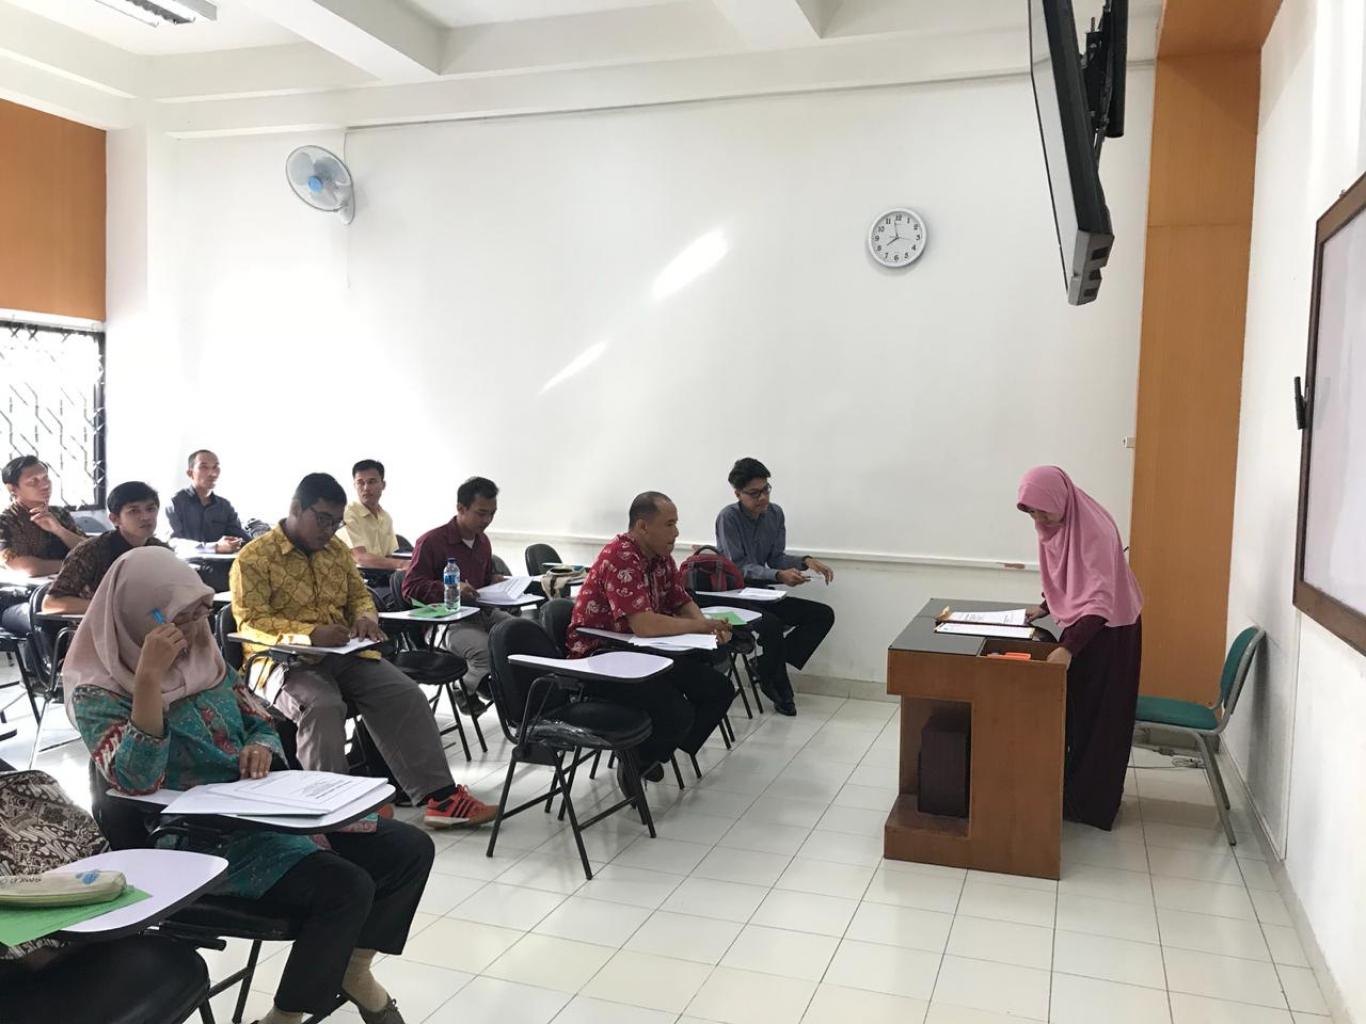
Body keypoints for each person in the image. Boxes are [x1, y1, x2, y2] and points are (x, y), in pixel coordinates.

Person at [68, 546, 434, 1024]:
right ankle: (285, 1017)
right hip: (193, 836)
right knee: (345, 888)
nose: (195, 628)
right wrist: (149, 681)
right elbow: (135, 778)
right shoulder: (97, 691)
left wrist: (259, 746)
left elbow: (259, 720)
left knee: (408, 849)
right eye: (182, 616)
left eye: (201, 612)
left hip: (261, 808)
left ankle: (353, 969)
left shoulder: (206, 658)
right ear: (140, 615)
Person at [231, 472, 494, 828]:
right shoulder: (254, 558)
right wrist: (310, 634)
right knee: (322, 706)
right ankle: (332, 812)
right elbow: (251, 622)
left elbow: (359, 596)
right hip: (279, 661)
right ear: (296, 508)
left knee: (405, 694)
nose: (329, 530)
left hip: (343, 654)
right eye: (323, 519)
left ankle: (442, 799)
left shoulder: (335, 552)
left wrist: (366, 618)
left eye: (336, 522)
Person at [568, 491, 735, 791]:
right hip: (602, 657)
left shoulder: (660, 557)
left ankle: (651, 753)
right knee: (676, 711)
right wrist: (700, 626)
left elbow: (680, 599)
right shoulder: (620, 556)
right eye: (669, 524)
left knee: (718, 690)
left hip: (641, 650)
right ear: (643, 527)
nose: (676, 532)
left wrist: (706, 629)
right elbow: (644, 625)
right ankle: (641, 757)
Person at [1017, 465, 1144, 831]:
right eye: (1031, 513)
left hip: (1110, 632)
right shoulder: (1058, 526)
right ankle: (1068, 795)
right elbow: (1072, 575)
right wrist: (1047, 605)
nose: (1038, 520)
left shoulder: (1095, 531)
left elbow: (1100, 599)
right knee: (1076, 717)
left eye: (1043, 511)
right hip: (1085, 627)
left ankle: (1093, 806)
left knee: (1100, 722)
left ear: (1061, 500)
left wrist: (1069, 649)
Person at [713, 457, 836, 716]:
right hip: (734, 595)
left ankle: (764, 665)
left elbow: (776, 557)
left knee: (822, 615)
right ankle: (778, 687)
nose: (762, 498)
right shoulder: (728, 518)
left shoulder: (775, 513)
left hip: (763, 593)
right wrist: (779, 575)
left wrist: (805, 561)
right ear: (738, 493)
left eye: (766, 490)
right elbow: (739, 566)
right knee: (771, 625)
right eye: (754, 493)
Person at [401, 476, 508, 715]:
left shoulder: (482, 542)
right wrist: (449, 588)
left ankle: (498, 691)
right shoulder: (431, 541)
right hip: (444, 622)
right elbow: (410, 588)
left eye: (492, 514)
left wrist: (494, 581)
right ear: (461, 508)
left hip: (479, 613)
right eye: (481, 513)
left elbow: (482, 582)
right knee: (484, 649)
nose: (487, 520)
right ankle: (464, 688)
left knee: (516, 633)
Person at [43, 481, 168, 616]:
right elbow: (51, 603)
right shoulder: (91, 551)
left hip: (148, 621)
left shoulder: (162, 551)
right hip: (99, 623)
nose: (146, 517)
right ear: (115, 519)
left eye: (151, 509)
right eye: (134, 511)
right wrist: (112, 607)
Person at [0, 455, 87, 633]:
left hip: (64, 592)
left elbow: (91, 551)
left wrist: (59, 530)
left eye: (46, 478)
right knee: (48, 619)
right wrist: (71, 566)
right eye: (34, 481)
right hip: (19, 599)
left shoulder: (59, 514)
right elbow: (25, 567)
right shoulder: (5, 522)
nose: (45, 485)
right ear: (12, 488)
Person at [166, 449, 250, 554]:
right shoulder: (175, 503)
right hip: (188, 562)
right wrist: (214, 547)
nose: (213, 473)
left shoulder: (225, 506)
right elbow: (173, 543)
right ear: (190, 473)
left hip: (224, 562)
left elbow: (242, 537)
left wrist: (236, 542)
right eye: (204, 467)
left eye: (215, 467)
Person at [339, 460, 408, 572]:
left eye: (371, 482)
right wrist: (402, 564)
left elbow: (389, 556)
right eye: (360, 482)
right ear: (354, 485)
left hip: (382, 576)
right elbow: (359, 557)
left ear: (383, 485)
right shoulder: (347, 514)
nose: (366, 488)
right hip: (355, 577)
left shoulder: (386, 517)